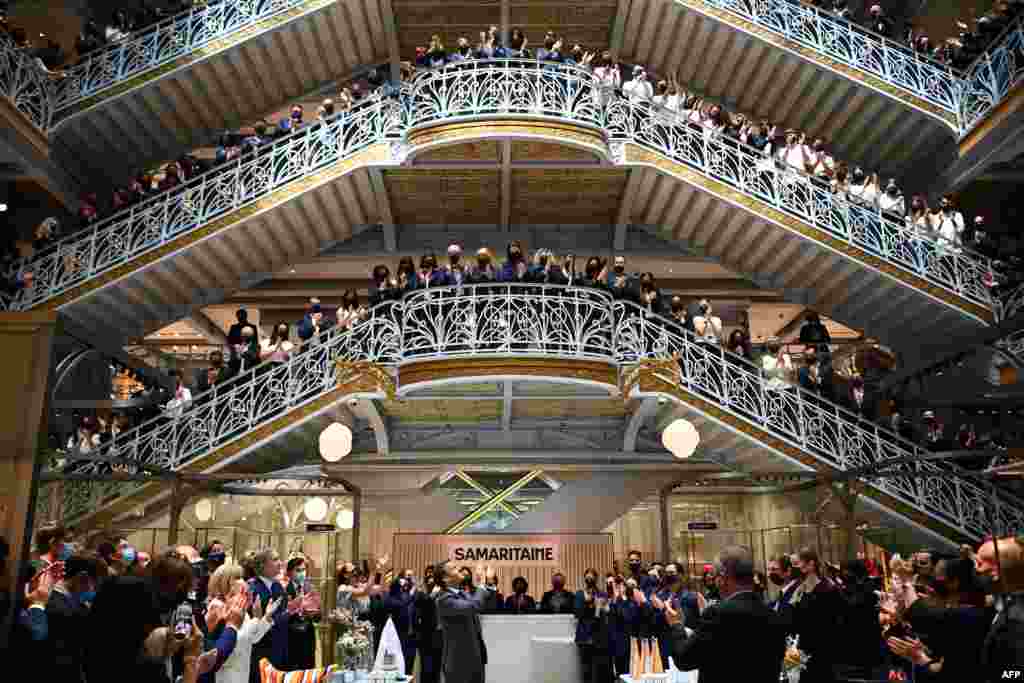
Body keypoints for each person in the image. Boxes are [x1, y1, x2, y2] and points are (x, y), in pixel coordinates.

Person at [664, 545, 787, 682]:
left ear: (722, 578)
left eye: (715, 576)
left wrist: (676, 625)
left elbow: (684, 659)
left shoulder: (717, 614)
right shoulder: (773, 615)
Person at [47, 552, 105, 683]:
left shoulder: (58, 596)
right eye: (95, 584)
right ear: (82, 577)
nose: (94, 590)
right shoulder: (64, 611)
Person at [434, 561, 493, 683]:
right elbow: (474, 605)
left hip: (476, 660)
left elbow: (482, 601)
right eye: (454, 568)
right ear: (445, 578)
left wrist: (487, 581)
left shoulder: (463, 594)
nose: (460, 568)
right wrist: (481, 585)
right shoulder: (444, 599)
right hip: (458, 665)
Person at [790, 548, 842, 683]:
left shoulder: (828, 588)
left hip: (822, 651)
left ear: (811, 564)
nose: (796, 567)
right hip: (801, 649)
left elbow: (834, 621)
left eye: (798, 563)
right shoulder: (800, 588)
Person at [246, 549, 289, 683]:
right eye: (275, 559)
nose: (280, 563)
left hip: (279, 649)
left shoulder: (278, 586)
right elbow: (255, 622)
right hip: (260, 651)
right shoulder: (252, 588)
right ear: (262, 565)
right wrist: (287, 613)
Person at [285, 557, 318, 670]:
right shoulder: (284, 590)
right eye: (298, 570)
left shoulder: (310, 588)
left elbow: (319, 616)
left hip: (308, 639)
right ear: (289, 573)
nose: (302, 573)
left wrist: (314, 613)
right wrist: (295, 608)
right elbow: (282, 616)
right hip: (291, 640)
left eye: (303, 570)